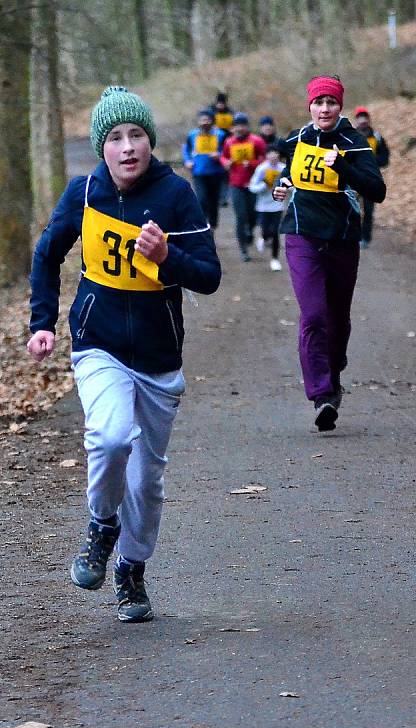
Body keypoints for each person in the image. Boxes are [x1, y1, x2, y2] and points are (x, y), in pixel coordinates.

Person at [27, 86, 221, 622]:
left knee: (147, 479)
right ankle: (101, 523)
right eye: (115, 138)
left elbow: (209, 276)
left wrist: (167, 256)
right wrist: (42, 323)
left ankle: (131, 571)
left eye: (136, 135)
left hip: (158, 357)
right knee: (111, 437)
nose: (128, 146)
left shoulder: (176, 194)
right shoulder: (83, 192)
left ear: (150, 141)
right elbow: (46, 256)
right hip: (99, 342)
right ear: (101, 146)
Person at [272, 75, 386, 432]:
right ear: (309, 106)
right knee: (314, 315)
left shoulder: (353, 142)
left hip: (341, 238)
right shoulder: (298, 138)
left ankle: (333, 373)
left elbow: (377, 191)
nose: (324, 109)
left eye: (331, 103)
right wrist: (283, 185)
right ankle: (321, 394)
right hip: (301, 235)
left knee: (337, 318)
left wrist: (343, 168)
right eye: (318, 102)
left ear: (340, 106)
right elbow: (291, 174)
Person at [220, 112, 266, 262]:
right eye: (236, 125)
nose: (239, 128)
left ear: (247, 126)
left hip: (253, 184)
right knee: (240, 216)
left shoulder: (256, 141)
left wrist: (252, 163)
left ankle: (250, 231)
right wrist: (226, 163)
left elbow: (265, 159)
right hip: (236, 185)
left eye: (242, 125)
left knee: (253, 216)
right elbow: (223, 156)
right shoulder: (229, 142)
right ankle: (243, 250)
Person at [182, 108, 227, 231]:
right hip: (199, 172)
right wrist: (187, 161)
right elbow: (186, 149)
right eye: (202, 120)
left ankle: (213, 225)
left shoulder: (220, 135)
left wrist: (219, 155)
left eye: (207, 120)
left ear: (212, 121)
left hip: (216, 172)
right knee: (201, 199)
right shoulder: (193, 135)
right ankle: (203, 225)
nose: (205, 122)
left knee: (214, 200)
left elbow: (227, 150)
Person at [354, 106, 390, 248]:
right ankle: (353, 236)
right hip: (354, 179)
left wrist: (371, 162)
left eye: (365, 117)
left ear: (369, 119)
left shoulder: (377, 137)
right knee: (352, 209)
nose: (363, 120)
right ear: (356, 120)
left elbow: (385, 158)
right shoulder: (351, 136)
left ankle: (366, 238)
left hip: (371, 180)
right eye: (360, 117)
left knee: (368, 212)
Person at [249, 144, 285, 271]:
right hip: (263, 206)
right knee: (265, 231)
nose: (273, 155)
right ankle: (263, 238)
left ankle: (275, 259)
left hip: (277, 205)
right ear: (266, 155)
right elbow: (252, 187)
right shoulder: (261, 169)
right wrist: (264, 185)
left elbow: (292, 184)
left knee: (275, 232)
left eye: (275, 153)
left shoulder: (283, 168)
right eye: (270, 153)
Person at [210, 92, 234, 206]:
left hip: (228, 144)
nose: (221, 105)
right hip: (214, 145)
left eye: (222, 103)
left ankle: (224, 197)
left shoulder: (231, 113)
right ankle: (218, 196)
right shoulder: (211, 112)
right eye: (219, 103)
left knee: (226, 173)